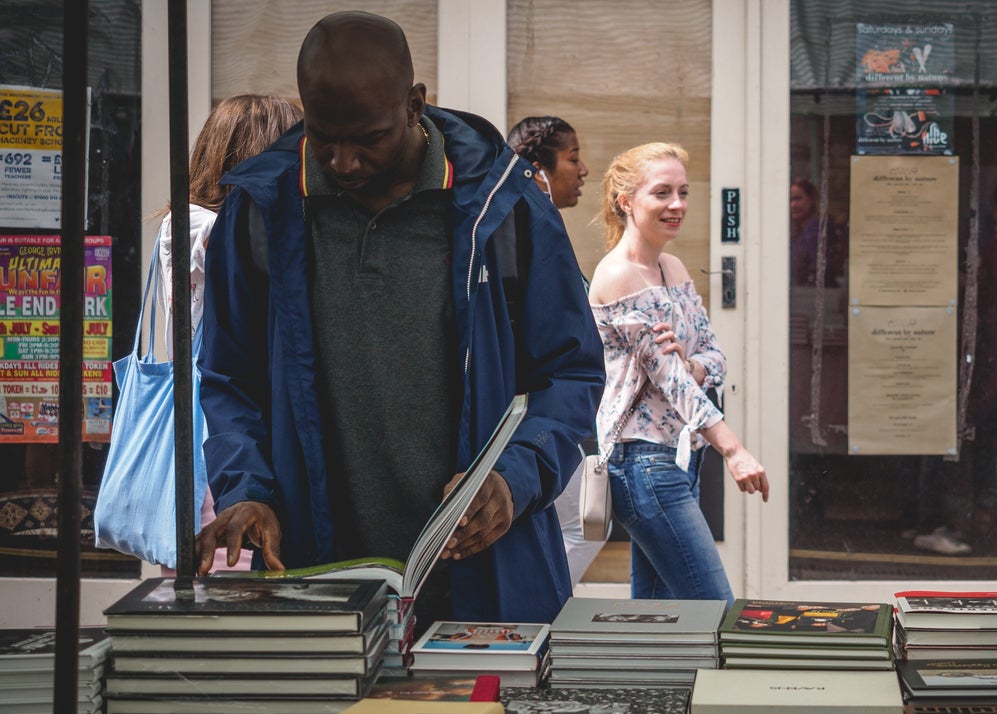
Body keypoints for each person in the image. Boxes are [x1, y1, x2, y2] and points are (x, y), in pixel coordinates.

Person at [195, 12, 604, 626]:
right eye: (325, 137)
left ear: (415, 104)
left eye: (368, 138)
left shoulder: (506, 204)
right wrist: (247, 489)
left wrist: (514, 477)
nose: (344, 162)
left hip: (488, 579)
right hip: (317, 581)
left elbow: (571, 373)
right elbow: (229, 376)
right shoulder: (262, 209)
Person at [588, 142, 768, 603]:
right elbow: (673, 384)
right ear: (626, 201)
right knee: (715, 609)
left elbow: (713, 356)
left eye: (683, 192)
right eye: (662, 192)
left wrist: (690, 363)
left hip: (678, 458)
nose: (677, 205)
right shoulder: (618, 277)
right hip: (643, 464)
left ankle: (646, 678)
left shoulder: (671, 267)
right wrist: (735, 450)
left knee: (660, 621)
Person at [149, 94, 303, 574]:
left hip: (224, 416)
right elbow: (229, 245)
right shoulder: (196, 225)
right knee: (228, 561)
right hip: (217, 419)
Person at [505, 115, 604, 585]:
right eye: (573, 157)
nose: (583, 170)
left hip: (553, 413)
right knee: (581, 528)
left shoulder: (538, 225)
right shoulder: (528, 226)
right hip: (537, 417)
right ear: (536, 167)